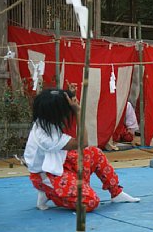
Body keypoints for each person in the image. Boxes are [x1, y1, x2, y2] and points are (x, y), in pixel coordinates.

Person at [24, 84, 140, 212]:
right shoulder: (46, 138)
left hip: (59, 162)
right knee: (90, 201)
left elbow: (56, 99)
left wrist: (70, 94)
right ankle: (49, 193)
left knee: (94, 153)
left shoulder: (43, 120)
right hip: (46, 175)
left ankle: (116, 193)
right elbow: (82, 142)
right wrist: (78, 111)